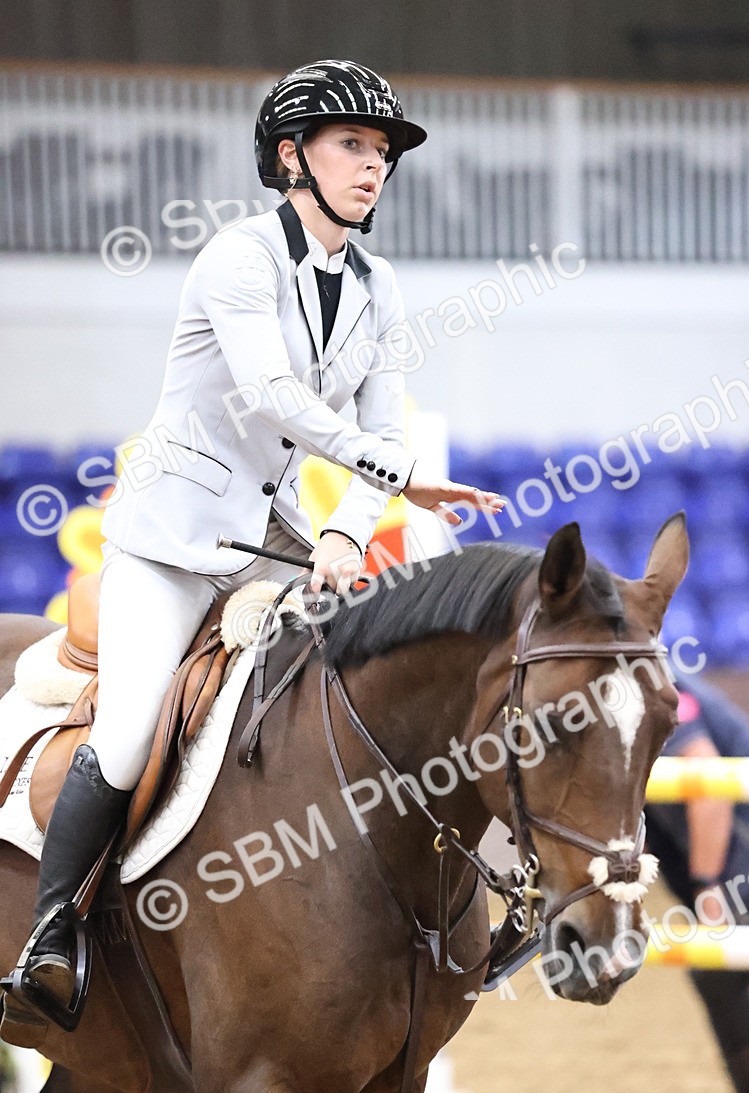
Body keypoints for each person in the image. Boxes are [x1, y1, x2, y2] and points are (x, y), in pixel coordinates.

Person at [2, 59, 503, 1041]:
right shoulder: (237, 258)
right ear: (290, 156)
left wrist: (347, 536)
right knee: (137, 720)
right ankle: (51, 935)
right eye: (352, 145)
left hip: (270, 547)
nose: (374, 168)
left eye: (382, 152)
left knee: (344, 710)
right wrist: (394, 477)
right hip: (168, 545)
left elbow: (382, 429)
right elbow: (273, 396)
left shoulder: (376, 283)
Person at [645, 670, 749, 1093]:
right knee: (717, 978)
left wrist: (707, 884)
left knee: (717, 974)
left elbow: (707, 781)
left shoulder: (654, 686)